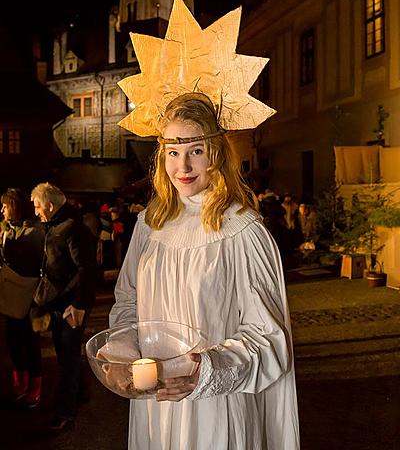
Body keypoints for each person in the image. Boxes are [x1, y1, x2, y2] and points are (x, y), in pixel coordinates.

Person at [109, 93, 299, 449]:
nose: (183, 167)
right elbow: (128, 303)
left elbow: (269, 340)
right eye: (173, 152)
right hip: (157, 409)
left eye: (195, 150)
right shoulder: (149, 226)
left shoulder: (242, 231)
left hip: (215, 406)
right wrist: (123, 351)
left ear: (216, 154)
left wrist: (208, 370)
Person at [30, 182, 97, 432]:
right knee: (65, 353)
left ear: (50, 205)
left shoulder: (72, 228)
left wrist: (78, 304)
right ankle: (81, 391)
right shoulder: (51, 226)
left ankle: (65, 412)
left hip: (72, 304)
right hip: (57, 302)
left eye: (37, 207)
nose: (36, 212)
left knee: (67, 357)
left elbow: (87, 269)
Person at [0, 188, 44, 408]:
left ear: (15, 207)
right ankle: (20, 382)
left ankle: (34, 387)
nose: (2, 210)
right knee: (13, 339)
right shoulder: (7, 230)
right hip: (12, 294)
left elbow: (40, 264)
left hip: (29, 295)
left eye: (6, 206)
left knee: (30, 341)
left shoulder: (35, 232)